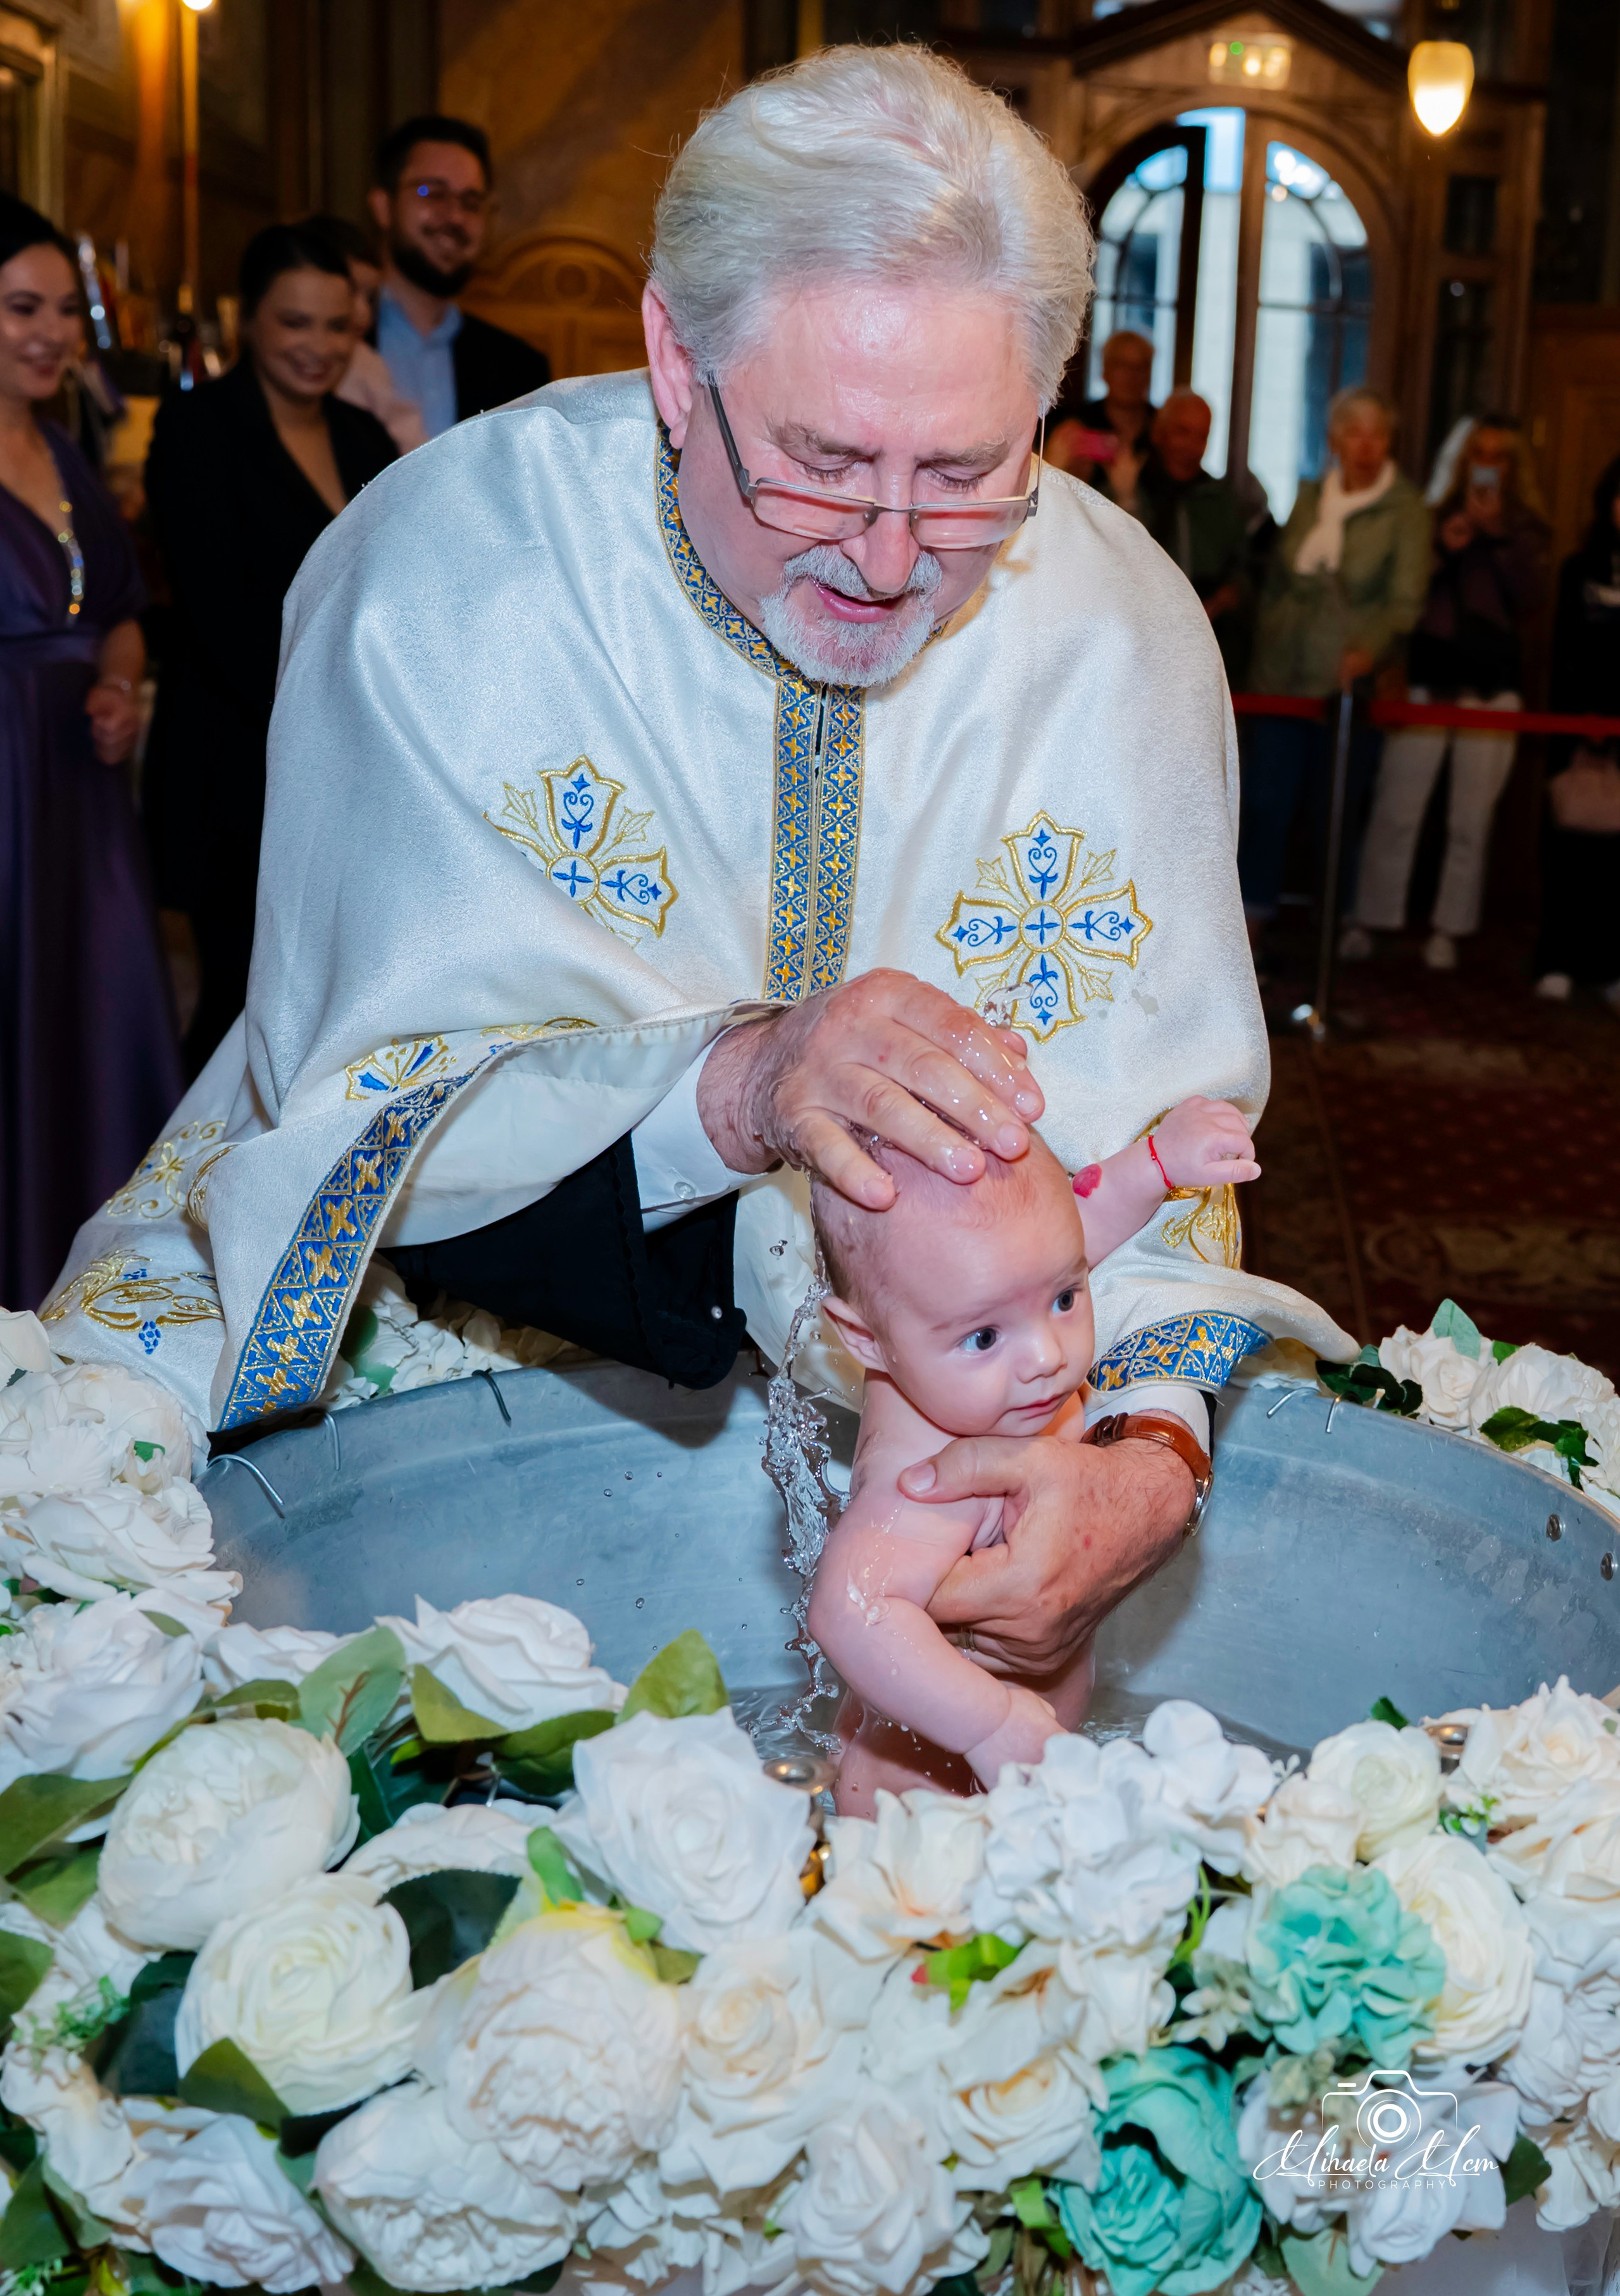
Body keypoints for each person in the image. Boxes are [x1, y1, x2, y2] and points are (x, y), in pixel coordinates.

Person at [49, 51, 1348, 1694]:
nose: (888, 559)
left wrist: (1149, 1455)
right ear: (677, 356)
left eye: (965, 477)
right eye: (820, 463)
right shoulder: (441, 579)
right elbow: (365, 1122)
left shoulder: (1117, 624)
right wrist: (736, 1085)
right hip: (460, 1339)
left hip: (989, 1366)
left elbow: (1156, 1130)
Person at [809, 1097, 1258, 1814]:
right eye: (984, 1337)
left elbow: (1073, 1231)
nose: (1047, 1357)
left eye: (1065, 1298)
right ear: (863, 1339)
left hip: (988, 1757)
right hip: (929, 1777)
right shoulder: (929, 1471)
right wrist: (987, 1721)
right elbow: (848, 1608)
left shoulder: (977, 1313)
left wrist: (1155, 1165)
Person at [143, 223, 397, 1075]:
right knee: (235, 1010)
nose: (319, 347)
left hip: (350, 770)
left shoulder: (368, 440)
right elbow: (223, 619)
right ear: (247, 321)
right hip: (235, 771)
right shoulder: (194, 429)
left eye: (337, 325)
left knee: (331, 1004)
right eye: (295, 323)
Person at [0, 195, 181, 1310]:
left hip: (81, 795)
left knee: (89, 1022)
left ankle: (88, 1302)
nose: (53, 332)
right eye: (23, 307)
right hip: (8, 796)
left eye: (68, 310)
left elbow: (117, 605)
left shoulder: (64, 445)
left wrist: (116, 681)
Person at [1344, 415, 1549, 972]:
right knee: (1398, 808)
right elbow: (1406, 593)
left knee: (1470, 820)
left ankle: (1448, 931)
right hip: (1427, 681)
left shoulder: (1527, 528)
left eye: (1499, 456)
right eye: (1477, 454)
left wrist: (1499, 536)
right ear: (1459, 462)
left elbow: (1531, 601)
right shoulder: (1426, 518)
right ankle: (1371, 918)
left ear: (1512, 466)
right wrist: (1444, 545)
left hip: (1493, 688)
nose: (1487, 465)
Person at [1238, 386, 1430, 943]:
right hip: (1280, 678)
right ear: (1335, 440)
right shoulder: (1309, 495)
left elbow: (1405, 603)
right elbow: (1277, 579)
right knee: (1266, 804)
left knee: (1337, 813)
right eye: (1354, 432)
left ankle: (1332, 932)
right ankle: (1252, 931)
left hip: (1347, 686)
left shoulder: (1407, 510)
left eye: (1377, 434)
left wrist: (1368, 649)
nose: (1365, 445)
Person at [367, 115, 549, 437]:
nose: (454, 217)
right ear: (383, 207)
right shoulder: (327, 346)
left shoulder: (521, 371)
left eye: (471, 202)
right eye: (432, 192)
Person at [1532, 452, 1620, 1007]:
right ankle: (1558, 958)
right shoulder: (1578, 569)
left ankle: (1612, 968)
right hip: (1577, 728)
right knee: (1570, 855)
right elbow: (1565, 654)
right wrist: (1584, 724)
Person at [1135, 388, 1249, 683]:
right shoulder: (1131, 489)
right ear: (1159, 433)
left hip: (1207, 644)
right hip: (1139, 638)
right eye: (1183, 432)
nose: (1192, 446)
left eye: (1202, 436)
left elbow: (1243, 569)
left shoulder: (1221, 501)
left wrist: (1224, 600)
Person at [302, 213, 427, 456]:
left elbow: (410, 438)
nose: (363, 312)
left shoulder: (368, 364)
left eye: (371, 298)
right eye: (351, 292)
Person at [1047, 328, 1156, 513]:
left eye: (1140, 367)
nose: (1132, 376)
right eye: (1122, 365)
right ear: (1104, 370)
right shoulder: (1078, 425)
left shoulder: (1162, 430)